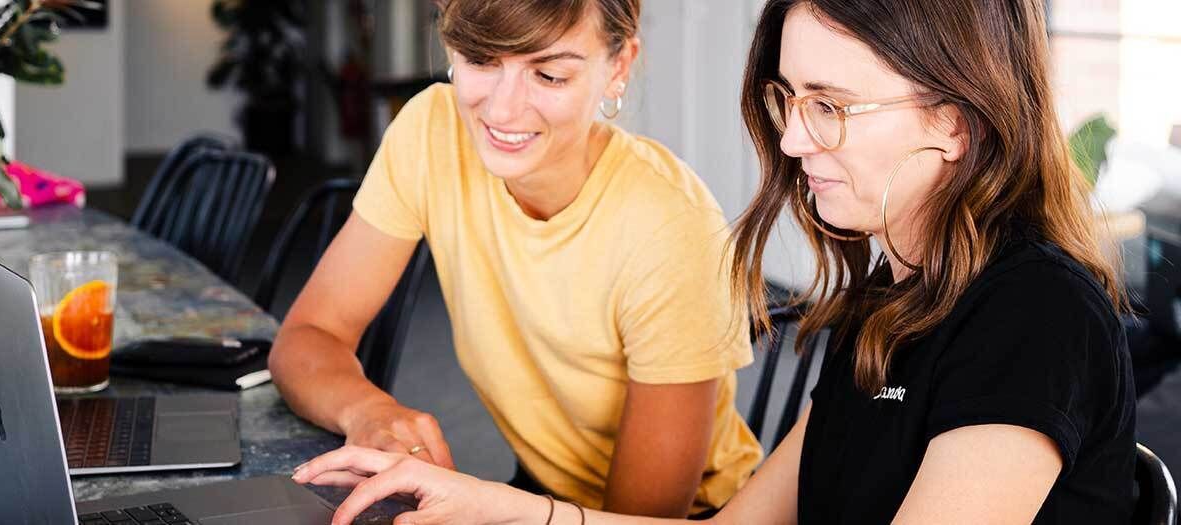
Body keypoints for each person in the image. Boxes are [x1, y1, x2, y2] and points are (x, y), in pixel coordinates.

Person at [290, 0, 1137, 523]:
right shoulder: (894, 299)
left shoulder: (1036, 314)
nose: (793, 138)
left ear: (955, 120)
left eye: (831, 106)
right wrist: (493, 508)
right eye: (789, 99)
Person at [268, 0, 761, 518]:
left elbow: (643, 517)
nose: (502, 111)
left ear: (618, 67)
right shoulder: (431, 131)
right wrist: (369, 411)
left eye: (548, 75)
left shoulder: (672, 227)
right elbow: (309, 336)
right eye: (481, 60)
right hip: (539, 491)